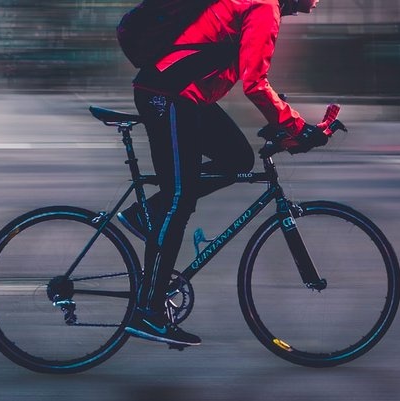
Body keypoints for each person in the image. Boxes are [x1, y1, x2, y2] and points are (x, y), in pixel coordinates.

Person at [117, 0, 323, 347]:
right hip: (168, 94)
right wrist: (297, 127)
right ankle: (148, 312)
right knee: (179, 199)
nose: (316, 2)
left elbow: (248, 71)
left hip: (184, 95)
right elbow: (255, 83)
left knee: (237, 159)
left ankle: (145, 214)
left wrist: (287, 121)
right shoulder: (264, 7)